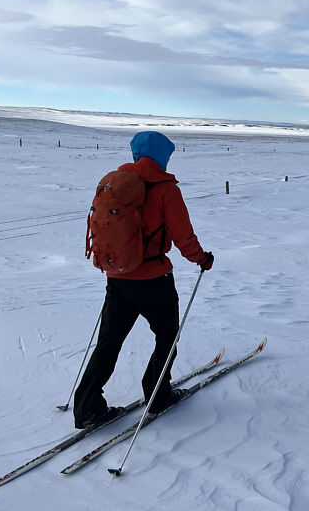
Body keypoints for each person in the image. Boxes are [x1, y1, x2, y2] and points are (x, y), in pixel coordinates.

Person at [73, 131, 214, 429]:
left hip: (118, 276)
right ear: (162, 156)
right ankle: (158, 395)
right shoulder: (165, 189)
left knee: (108, 343)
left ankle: (86, 406)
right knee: (166, 337)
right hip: (154, 278)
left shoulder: (115, 183)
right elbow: (182, 236)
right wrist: (202, 259)